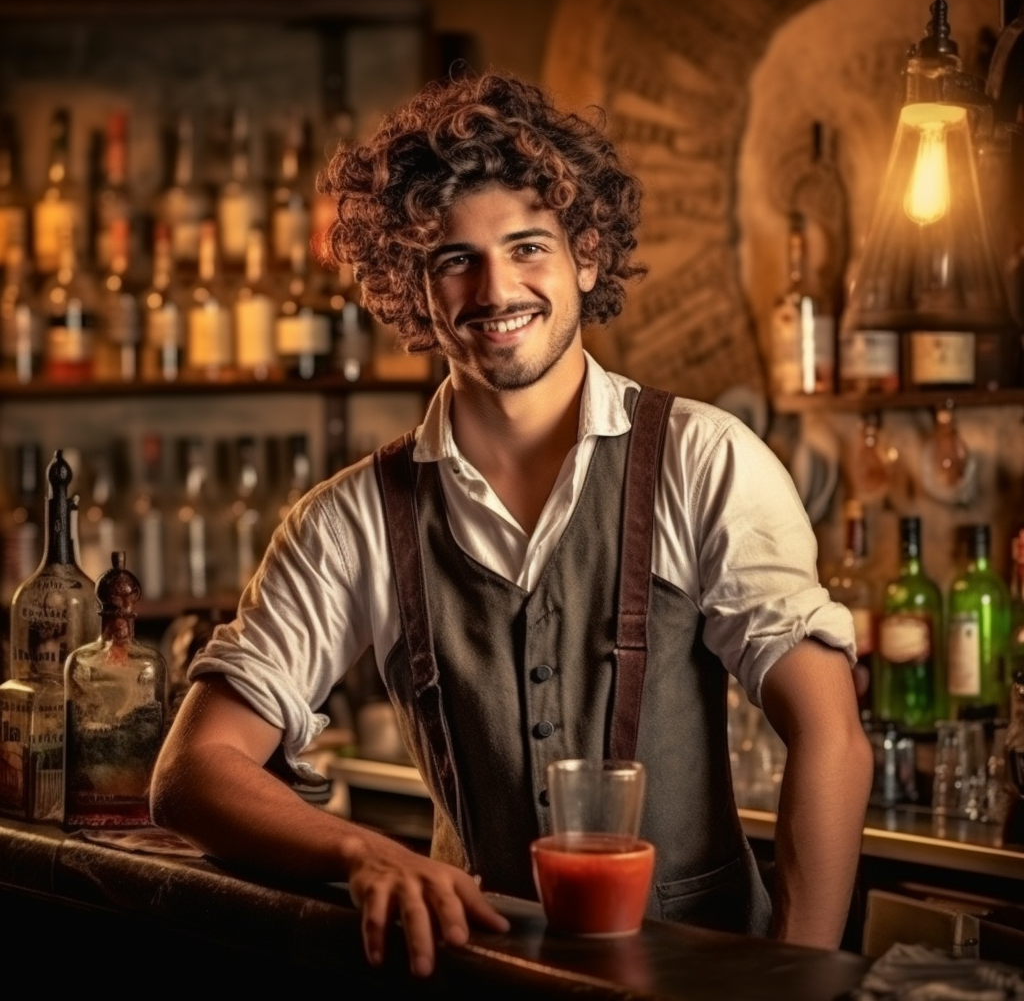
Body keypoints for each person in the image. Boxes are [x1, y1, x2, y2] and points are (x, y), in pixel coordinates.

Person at [151, 72, 873, 978]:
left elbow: (828, 731)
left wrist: (794, 978)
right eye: (455, 258)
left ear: (588, 256)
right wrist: (361, 850)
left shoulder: (703, 458)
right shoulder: (351, 521)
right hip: (480, 971)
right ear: (414, 288)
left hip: (705, 972)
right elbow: (191, 771)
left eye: (527, 245)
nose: (496, 289)